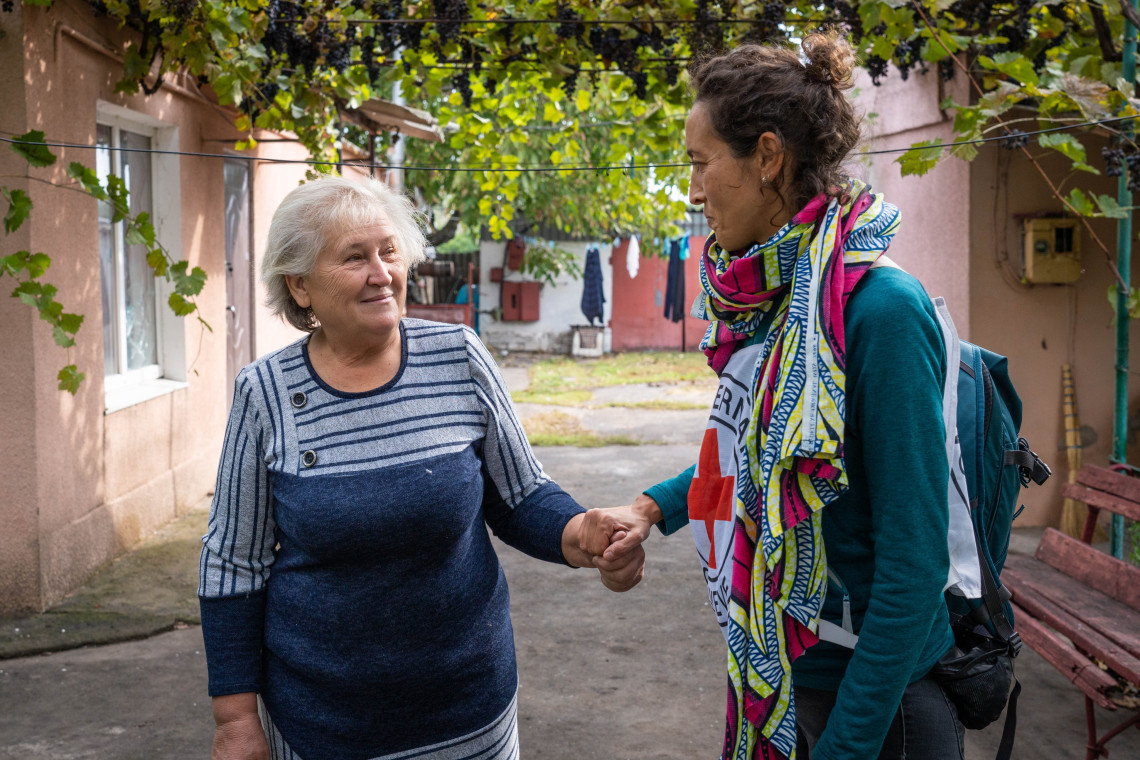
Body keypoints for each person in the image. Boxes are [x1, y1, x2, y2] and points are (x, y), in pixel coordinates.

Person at [585, 31, 962, 760]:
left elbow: (915, 568)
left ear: (766, 156)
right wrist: (651, 508)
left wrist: (846, 746)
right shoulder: (779, 301)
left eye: (700, 163)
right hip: (787, 680)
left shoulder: (878, 311)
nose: (693, 189)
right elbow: (763, 460)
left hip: (878, 711)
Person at [198, 177, 643, 760]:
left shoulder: (458, 355)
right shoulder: (266, 393)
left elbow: (520, 494)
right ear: (300, 285)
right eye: (354, 258)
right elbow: (233, 563)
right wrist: (235, 720)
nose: (381, 273)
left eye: (388, 251)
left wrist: (579, 532)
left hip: (470, 713)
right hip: (324, 727)